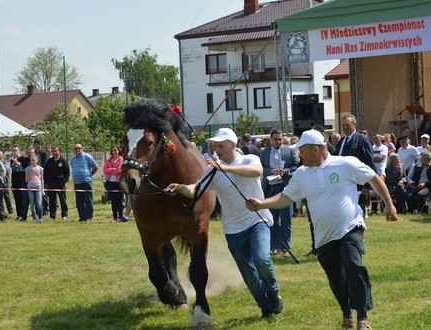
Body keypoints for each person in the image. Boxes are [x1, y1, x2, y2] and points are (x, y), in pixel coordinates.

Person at [245, 129, 397, 330]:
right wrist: (262, 203)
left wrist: (389, 204)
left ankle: (362, 317)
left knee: (354, 267)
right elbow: (286, 197)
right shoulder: (301, 173)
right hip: (324, 237)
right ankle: (346, 312)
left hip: (350, 227)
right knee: (336, 279)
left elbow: (373, 178)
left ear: (315, 150)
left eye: (302, 152)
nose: (299, 156)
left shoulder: (346, 164)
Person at [166, 128, 284, 319]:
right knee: (248, 273)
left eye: (221, 145)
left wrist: (226, 168)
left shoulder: (248, 159)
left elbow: (257, 171)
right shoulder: (212, 169)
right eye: (215, 145)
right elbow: (196, 189)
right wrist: (180, 188)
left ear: (233, 145)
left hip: (257, 221)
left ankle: (273, 292)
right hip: (233, 229)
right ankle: (265, 307)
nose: (216, 148)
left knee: (262, 259)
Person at [260, 128, 299, 256]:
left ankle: (286, 248)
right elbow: (260, 168)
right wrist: (270, 171)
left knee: (286, 219)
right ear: (270, 139)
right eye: (275, 139)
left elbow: (296, 166)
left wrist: (285, 172)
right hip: (270, 188)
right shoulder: (264, 152)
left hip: (285, 188)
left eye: (280, 139)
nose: (278, 141)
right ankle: (274, 247)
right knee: (272, 219)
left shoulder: (290, 151)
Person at [336, 115, 377, 215]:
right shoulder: (342, 141)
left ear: (354, 125)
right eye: (343, 125)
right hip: (343, 183)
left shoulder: (363, 140)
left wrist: (367, 185)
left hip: (358, 184)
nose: (345, 127)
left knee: (358, 212)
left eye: (347, 125)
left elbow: (369, 163)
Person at [70, 144, 98, 222]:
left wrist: (89, 175)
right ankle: (82, 217)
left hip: (86, 181)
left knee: (88, 200)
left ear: (82, 148)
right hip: (77, 182)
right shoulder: (73, 159)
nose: (78, 150)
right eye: (76, 148)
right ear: (74, 150)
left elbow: (95, 167)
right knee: (79, 201)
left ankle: (89, 217)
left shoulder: (87, 157)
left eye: (79, 148)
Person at [43, 146, 70, 220]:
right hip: (51, 184)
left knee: (63, 200)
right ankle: (52, 216)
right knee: (52, 201)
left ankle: (64, 215)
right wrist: (47, 181)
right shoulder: (49, 162)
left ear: (59, 151)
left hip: (60, 184)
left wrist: (63, 181)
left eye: (56, 151)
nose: (54, 153)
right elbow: (45, 173)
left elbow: (67, 173)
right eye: (53, 151)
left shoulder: (63, 161)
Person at [103, 145, 126, 223]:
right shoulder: (109, 160)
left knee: (119, 201)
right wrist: (113, 170)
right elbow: (105, 170)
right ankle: (114, 217)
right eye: (113, 150)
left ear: (118, 151)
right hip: (110, 183)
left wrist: (112, 170)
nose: (114, 152)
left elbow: (120, 170)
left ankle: (120, 217)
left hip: (118, 183)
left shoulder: (122, 160)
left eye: (115, 150)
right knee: (113, 201)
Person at [10, 146, 29, 221]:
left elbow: (23, 169)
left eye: (16, 150)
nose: (14, 152)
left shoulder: (23, 159)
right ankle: (18, 214)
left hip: (21, 181)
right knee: (16, 199)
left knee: (22, 199)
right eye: (13, 150)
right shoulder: (11, 160)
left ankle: (23, 214)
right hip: (15, 181)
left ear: (19, 151)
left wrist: (16, 162)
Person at [25, 155, 45, 223]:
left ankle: (40, 217)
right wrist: (30, 173)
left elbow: (42, 179)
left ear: (37, 161)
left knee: (39, 203)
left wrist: (43, 189)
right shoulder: (28, 169)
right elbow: (26, 180)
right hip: (30, 187)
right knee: (32, 203)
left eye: (34, 160)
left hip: (38, 187)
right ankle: (34, 217)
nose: (32, 162)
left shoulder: (40, 169)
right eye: (31, 160)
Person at [0, 150, 14, 214]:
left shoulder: (6, 162)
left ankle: (10, 210)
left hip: (4, 182)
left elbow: (4, 169)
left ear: (2, 155)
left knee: (6, 196)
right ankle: (1, 210)